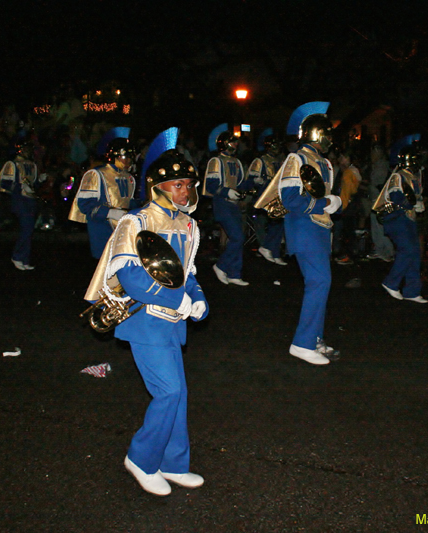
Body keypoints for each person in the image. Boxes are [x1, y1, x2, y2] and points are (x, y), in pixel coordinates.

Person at [84, 128, 208, 496]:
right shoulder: (135, 222)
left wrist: (198, 298)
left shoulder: (188, 224)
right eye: (177, 184)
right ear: (157, 185)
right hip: (144, 322)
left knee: (178, 394)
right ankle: (140, 459)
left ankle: (173, 463)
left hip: (172, 324)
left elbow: (187, 273)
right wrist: (176, 300)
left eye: (188, 184)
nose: (185, 191)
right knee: (169, 392)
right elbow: (130, 275)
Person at [279, 102, 342, 365]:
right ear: (317, 133)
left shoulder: (323, 162)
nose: (330, 138)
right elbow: (290, 199)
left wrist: (332, 202)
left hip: (319, 229)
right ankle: (302, 343)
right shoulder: (298, 159)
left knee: (321, 283)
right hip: (304, 228)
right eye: (327, 133)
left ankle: (313, 338)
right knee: (320, 282)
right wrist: (325, 203)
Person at [68, 129, 136, 258]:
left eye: (130, 157)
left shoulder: (129, 178)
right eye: (125, 157)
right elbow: (85, 204)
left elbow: (129, 201)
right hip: (103, 228)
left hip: (124, 228)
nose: (128, 161)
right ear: (115, 156)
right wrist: (110, 213)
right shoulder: (96, 174)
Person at [375, 145, 427, 302]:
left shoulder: (414, 176)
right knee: (407, 249)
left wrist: (418, 203)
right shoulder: (398, 176)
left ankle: (412, 291)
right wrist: (413, 204)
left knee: (415, 253)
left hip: (409, 219)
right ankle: (391, 282)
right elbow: (396, 197)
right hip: (397, 218)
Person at [204, 124, 254, 285]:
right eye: (232, 142)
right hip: (222, 204)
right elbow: (211, 185)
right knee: (237, 237)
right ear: (224, 143)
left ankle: (234, 273)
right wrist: (227, 192)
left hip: (233, 204)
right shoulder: (216, 161)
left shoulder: (236, 161)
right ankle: (221, 266)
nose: (235, 145)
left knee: (239, 238)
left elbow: (240, 184)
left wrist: (254, 182)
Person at [0, 137, 44, 270]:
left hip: (30, 200)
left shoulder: (32, 165)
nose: (29, 151)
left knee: (29, 229)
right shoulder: (12, 164)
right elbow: (5, 184)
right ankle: (17, 256)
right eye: (26, 149)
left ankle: (25, 259)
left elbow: (34, 184)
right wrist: (19, 187)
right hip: (20, 200)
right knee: (27, 228)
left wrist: (39, 180)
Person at [248, 133, 286, 265]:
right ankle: (266, 248)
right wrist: (258, 181)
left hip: (276, 197)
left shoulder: (280, 161)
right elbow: (250, 179)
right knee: (271, 224)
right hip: (264, 197)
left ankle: (274, 252)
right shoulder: (260, 161)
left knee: (278, 224)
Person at [366, 144, 394, 261]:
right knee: (377, 226)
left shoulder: (382, 166)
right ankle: (380, 249)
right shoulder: (377, 165)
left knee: (380, 226)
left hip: (380, 200)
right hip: (376, 199)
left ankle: (386, 251)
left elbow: (377, 183)